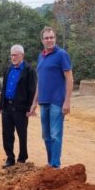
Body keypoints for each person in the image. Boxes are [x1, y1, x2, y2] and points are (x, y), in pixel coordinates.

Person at [29, 27, 74, 168]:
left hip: (57, 102)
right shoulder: (41, 56)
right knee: (46, 136)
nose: (49, 40)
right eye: (46, 38)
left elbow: (69, 79)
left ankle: (55, 165)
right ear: (42, 40)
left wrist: (67, 101)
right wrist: (34, 102)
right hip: (44, 102)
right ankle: (50, 163)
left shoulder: (62, 55)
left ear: (55, 38)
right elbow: (40, 81)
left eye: (51, 37)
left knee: (55, 135)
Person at [0, 44, 37, 168]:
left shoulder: (29, 70)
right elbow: (4, 88)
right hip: (7, 107)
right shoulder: (8, 69)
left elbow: (32, 90)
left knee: (22, 134)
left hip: (20, 109)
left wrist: (29, 109)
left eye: (16, 55)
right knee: (7, 134)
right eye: (12, 55)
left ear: (22, 55)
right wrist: (1, 104)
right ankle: (10, 158)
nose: (13, 57)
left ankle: (22, 159)